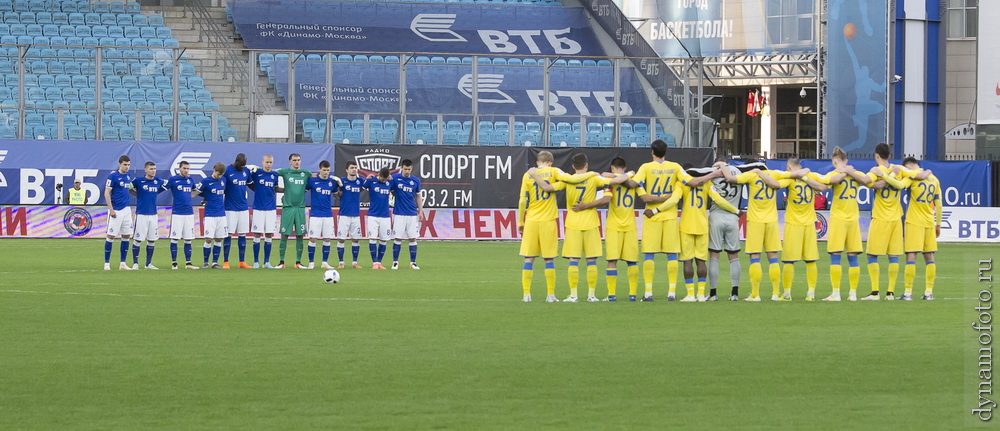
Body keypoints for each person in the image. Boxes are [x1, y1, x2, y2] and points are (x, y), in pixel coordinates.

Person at [536, 153, 627, 303]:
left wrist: (534, 176)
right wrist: (629, 173)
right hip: (591, 223)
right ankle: (591, 295)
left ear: (573, 166)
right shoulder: (594, 178)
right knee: (591, 261)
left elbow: (547, 188)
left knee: (573, 260)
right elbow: (617, 180)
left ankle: (573, 295)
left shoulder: (567, 180)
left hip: (573, 224)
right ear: (586, 165)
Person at [632, 140, 715, 301]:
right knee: (671, 255)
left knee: (649, 255)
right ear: (666, 151)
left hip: (652, 216)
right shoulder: (675, 167)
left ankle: (648, 293)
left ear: (652, 152)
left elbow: (635, 183)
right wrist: (713, 174)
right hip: (670, 216)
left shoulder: (646, 167)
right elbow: (692, 182)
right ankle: (671, 293)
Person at [647, 164, 738, 302]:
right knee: (701, 261)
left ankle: (690, 294)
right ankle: (701, 294)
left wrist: (655, 210)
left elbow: (673, 200)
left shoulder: (681, 184)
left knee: (687, 261)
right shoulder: (707, 184)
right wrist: (736, 211)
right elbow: (719, 200)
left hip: (686, 226)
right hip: (702, 226)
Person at [722, 164, 807, 301]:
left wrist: (721, 165)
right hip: (772, 220)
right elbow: (798, 174)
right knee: (772, 257)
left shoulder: (752, 175)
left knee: (755, 256)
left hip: (756, 221)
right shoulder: (775, 173)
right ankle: (775, 293)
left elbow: (730, 178)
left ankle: (755, 294)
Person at [573, 157, 639, 302]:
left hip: (614, 225)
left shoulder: (609, 182)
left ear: (612, 167)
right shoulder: (633, 177)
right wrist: (627, 175)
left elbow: (605, 198)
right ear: (625, 166)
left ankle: (612, 295)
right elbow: (634, 185)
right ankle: (632, 295)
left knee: (611, 261)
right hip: (630, 225)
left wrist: (586, 205)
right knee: (632, 262)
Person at [861, 143, 917, 300]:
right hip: (896, 218)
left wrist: (872, 179)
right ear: (890, 156)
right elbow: (915, 174)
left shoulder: (877, 171)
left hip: (880, 218)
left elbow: (866, 181)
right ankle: (890, 292)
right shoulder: (898, 169)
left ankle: (875, 292)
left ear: (877, 156)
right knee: (893, 256)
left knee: (872, 255)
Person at [821, 147, 872, 301]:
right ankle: (852, 293)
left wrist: (844, 172)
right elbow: (864, 180)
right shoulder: (854, 174)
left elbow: (830, 181)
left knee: (836, 255)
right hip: (852, 219)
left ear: (835, 161)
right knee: (852, 256)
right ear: (846, 160)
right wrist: (849, 172)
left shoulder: (834, 173)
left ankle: (837, 293)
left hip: (839, 219)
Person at [708, 158, 759, 301]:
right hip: (732, 219)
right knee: (734, 257)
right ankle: (735, 293)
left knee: (714, 256)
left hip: (716, 216)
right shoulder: (738, 172)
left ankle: (713, 294)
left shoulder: (712, 172)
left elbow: (716, 197)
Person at [778, 158, 828, 301]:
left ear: (789, 167)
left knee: (789, 261)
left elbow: (776, 184)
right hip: (809, 223)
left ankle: (787, 294)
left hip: (793, 223)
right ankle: (811, 293)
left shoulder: (789, 178)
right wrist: (805, 175)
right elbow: (824, 187)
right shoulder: (810, 176)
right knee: (811, 260)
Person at [899, 157, 941, 300]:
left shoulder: (912, 177)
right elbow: (939, 205)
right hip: (929, 222)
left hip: (914, 221)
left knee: (911, 254)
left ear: (908, 167)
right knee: (929, 256)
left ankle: (908, 292)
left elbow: (900, 185)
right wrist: (938, 224)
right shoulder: (934, 179)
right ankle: (929, 292)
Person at [275, 153, 311, 269]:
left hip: (300, 209)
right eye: (294, 160)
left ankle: (298, 262)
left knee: (300, 235)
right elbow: (271, 173)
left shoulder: (305, 173)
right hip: (288, 208)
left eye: (298, 160)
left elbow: (316, 178)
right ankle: (281, 262)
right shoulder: (285, 172)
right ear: (290, 161)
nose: (297, 162)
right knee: (284, 234)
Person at [129, 161, 166, 270]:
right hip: (141, 214)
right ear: (145, 170)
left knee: (152, 239)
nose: (153, 170)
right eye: (151, 169)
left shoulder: (158, 181)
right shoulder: (138, 181)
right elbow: (128, 187)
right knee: (138, 239)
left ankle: (148, 264)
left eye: (154, 168)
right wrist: (137, 193)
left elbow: (163, 187)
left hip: (153, 214)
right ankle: (135, 263)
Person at [390, 159, 425, 270]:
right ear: (401, 168)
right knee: (397, 238)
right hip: (399, 213)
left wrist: (420, 211)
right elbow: (387, 186)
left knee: (413, 238)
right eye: (405, 169)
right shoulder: (395, 178)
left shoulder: (415, 181)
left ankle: (413, 263)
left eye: (409, 169)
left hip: (411, 213)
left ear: (411, 169)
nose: (407, 171)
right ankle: (395, 262)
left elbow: (418, 196)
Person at [305, 160, 340, 270]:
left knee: (327, 239)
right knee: (313, 239)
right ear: (319, 169)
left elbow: (337, 197)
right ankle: (311, 263)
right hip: (315, 214)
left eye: (328, 170)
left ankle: (324, 262)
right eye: (324, 170)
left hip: (328, 214)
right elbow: (302, 191)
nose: (326, 172)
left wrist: (340, 187)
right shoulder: (312, 181)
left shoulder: (332, 182)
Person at [165, 160, 199, 269]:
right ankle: (174, 263)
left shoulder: (190, 180)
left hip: (189, 213)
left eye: (188, 168)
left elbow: (196, 191)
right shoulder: (173, 179)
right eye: (184, 168)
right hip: (177, 213)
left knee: (188, 239)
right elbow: (162, 188)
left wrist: (190, 197)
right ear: (179, 168)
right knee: (174, 238)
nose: (186, 170)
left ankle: (188, 263)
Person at [194, 162, 228, 269]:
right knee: (208, 239)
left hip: (221, 214)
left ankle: (214, 262)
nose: (219, 176)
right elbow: (195, 192)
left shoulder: (223, 180)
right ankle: (205, 262)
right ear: (213, 170)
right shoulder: (205, 181)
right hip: (210, 214)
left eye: (221, 175)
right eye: (218, 174)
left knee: (219, 239)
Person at [104, 155, 135, 271]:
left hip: (127, 209)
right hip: (116, 209)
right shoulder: (113, 176)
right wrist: (111, 209)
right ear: (119, 164)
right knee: (111, 236)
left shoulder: (128, 176)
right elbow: (106, 193)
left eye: (128, 165)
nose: (127, 167)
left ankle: (123, 263)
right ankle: (107, 263)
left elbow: (129, 189)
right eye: (125, 165)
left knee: (126, 235)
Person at [249, 154, 279, 268]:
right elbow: (250, 184)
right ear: (262, 162)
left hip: (271, 209)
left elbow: (275, 188)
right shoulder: (256, 173)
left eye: (270, 162)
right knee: (257, 234)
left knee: (269, 234)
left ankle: (267, 262)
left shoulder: (274, 175)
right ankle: (256, 261)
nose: (269, 164)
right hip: (258, 208)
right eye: (267, 162)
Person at [222, 153, 252, 269]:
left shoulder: (246, 171)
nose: (242, 167)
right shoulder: (227, 171)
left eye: (244, 165)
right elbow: (221, 187)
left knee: (242, 234)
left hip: (243, 208)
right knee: (228, 234)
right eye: (241, 165)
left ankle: (242, 262)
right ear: (236, 162)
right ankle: (226, 262)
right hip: (230, 208)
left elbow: (251, 185)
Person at [336, 161, 366, 269]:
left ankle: (355, 262)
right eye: (352, 168)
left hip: (356, 215)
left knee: (356, 239)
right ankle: (341, 263)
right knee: (341, 239)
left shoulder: (360, 181)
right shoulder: (341, 181)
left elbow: (370, 183)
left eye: (355, 167)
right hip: (344, 215)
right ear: (347, 170)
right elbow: (335, 193)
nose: (354, 169)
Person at [365, 168, 394, 269]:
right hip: (373, 215)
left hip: (385, 216)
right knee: (372, 238)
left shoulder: (390, 182)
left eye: (385, 179)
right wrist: (366, 178)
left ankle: (379, 262)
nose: (383, 180)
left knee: (384, 240)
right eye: (382, 178)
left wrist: (391, 178)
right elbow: (362, 185)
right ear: (379, 175)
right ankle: (374, 263)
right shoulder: (371, 181)